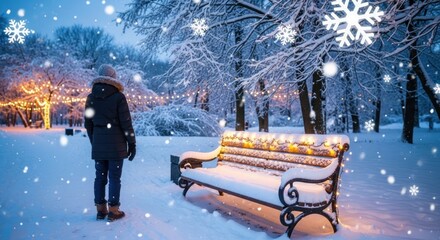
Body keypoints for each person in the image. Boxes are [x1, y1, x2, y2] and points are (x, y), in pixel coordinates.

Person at [84, 64, 136, 221]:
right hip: (117, 145)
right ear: (113, 78)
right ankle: (114, 210)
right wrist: (132, 143)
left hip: (99, 143)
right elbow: (126, 123)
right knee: (114, 177)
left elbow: (88, 123)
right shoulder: (119, 97)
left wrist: (95, 141)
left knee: (100, 177)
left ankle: (101, 209)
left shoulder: (91, 97)